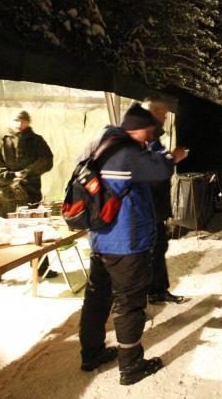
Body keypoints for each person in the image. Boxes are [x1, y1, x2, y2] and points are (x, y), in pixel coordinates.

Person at [78, 103, 188, 385]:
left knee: (97, 297)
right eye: (150, 131)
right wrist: (173, 157)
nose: (151, 137)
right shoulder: (127, 152)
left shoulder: (103, 142)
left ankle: (91, 354)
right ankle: (131, 366)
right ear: (138, 129)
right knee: (129, 303)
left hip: (101, 237)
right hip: (125, 241)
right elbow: (160, 170)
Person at [0, 110, 55, 291]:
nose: (19, 124)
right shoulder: (1, 140)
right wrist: (9, 176)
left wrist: (27, 172)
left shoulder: (36, 141)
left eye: (23, 121)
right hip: (3, 193)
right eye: (16, 120)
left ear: (28, 122)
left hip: (29, 192)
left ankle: (40, 267)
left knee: (35, 229)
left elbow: (46, 160)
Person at [142, 97, 189, 305]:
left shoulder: (154, 137)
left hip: (156, 205)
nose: (166, 116)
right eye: (162, 112)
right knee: (152, 250)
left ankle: (158, 289)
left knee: (159, 248)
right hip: (147, 206)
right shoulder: (142, 136)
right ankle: (147, 293)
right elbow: (150, 169)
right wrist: (172, 158)